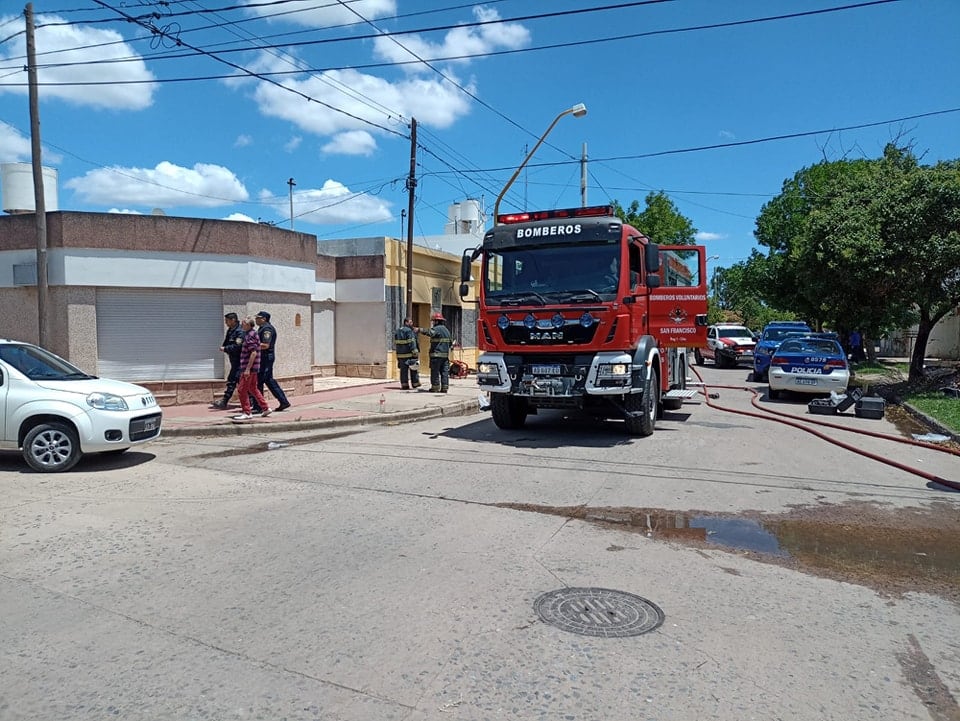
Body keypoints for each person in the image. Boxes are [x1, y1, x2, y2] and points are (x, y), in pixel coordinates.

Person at [250, 310, 291, 413]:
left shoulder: (267, 329)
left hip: (265, 358)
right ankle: (283, 401)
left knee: (258, 381)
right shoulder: (262, 328)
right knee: (269, 380)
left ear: (264, 319)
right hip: (264, 358)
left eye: (258, 318)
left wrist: (250, 346)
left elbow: (265, 345)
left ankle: (258, 406)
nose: (256, 320)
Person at [232, 316, 272, 421]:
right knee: (253, 388)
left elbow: (253, 352)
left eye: (243, 323)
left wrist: (247, 369)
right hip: (254, 367)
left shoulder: (249, 335)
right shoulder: (253, 333)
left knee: (242, 390)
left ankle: (246, 412)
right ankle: (265, 407)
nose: (241, 325)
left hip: (248, 367)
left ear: (249, 325)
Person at [210, 312, 244, 409]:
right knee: (239, 381)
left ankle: (224, 401)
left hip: (240, 360)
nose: (226, 323)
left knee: (232, 380)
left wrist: (226, 349)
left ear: (233, 320)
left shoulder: (240, 331)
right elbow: (226, 342)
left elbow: (238, 346)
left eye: (227, 321)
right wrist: (224, 347)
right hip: (234, 360)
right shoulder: (231, 330)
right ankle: (251, 400)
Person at [418, 312, 453, 393]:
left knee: (435, 371)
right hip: (445, 356)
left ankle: (435, 387)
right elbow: (450, 343)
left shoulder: (437, 329)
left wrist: (419, 330)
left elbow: (429, 332)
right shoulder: (447, 330)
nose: (433, 323)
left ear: (437, 321)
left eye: (433, 321)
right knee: (444, 372)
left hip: (436, 355)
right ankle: (444, 387)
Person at [394, 317, 422, 390]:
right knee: (413, 368)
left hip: (400, 355)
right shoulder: (409, 331)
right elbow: (411, 342)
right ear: (406, 322)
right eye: (410, 322)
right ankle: (415, 383)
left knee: (403, 371)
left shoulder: (398, 331)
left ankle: (404, 385)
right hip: (409, 354)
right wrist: (415, 351)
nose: (412, 323)